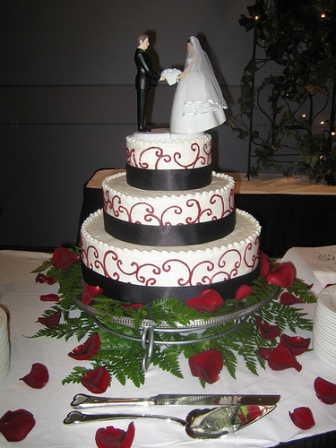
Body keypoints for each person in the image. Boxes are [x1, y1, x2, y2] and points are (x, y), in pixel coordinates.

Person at [170, 36, 228, 134]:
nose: (187, 48)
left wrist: (182, 75)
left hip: (194, 78)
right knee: (187, 98)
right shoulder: (192, 55)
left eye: (188, 46)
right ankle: (186, 124)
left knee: (196, 98)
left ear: (192, 46)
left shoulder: (195, 55)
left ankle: (199, 122)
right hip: (189, 78)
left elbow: (189, 67)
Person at [134, 34, 163, 132]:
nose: (149, 44)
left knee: (143, 104)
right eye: (147, 41)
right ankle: (141, 126)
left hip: (145, 81)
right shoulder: (139, 54)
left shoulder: (142, 53)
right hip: (142, 81)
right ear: (141, 42)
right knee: (141, 104)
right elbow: (147, 70)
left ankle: (142, 124)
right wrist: (159, 77)